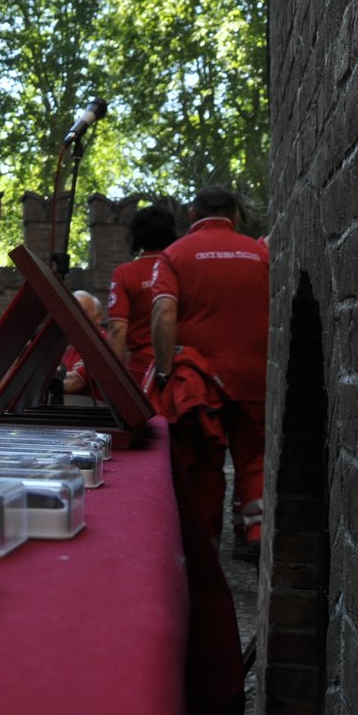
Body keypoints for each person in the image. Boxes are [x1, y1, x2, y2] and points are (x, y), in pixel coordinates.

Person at [150, 186, 270, 554]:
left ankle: (205, 546)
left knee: (205, 465)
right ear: (235, 215)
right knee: (254, 458)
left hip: (202, 382)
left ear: (191, 214)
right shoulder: (261, 253)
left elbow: (163, 313)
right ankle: (254, 534)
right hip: (255, 375)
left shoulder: (174, 255)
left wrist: (166, 369)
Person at [106, 204, 180, 385]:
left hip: (143, 369)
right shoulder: (182, 268)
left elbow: (117, 329)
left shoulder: (125, 273)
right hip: (181, 365)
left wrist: (114, 382)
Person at [60, 291, 105, 396]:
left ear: (98, 317)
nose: (75, 317)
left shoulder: (103, 344)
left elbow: (74, 384)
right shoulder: (70, 345)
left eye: (83, 312)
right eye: (71, 312)